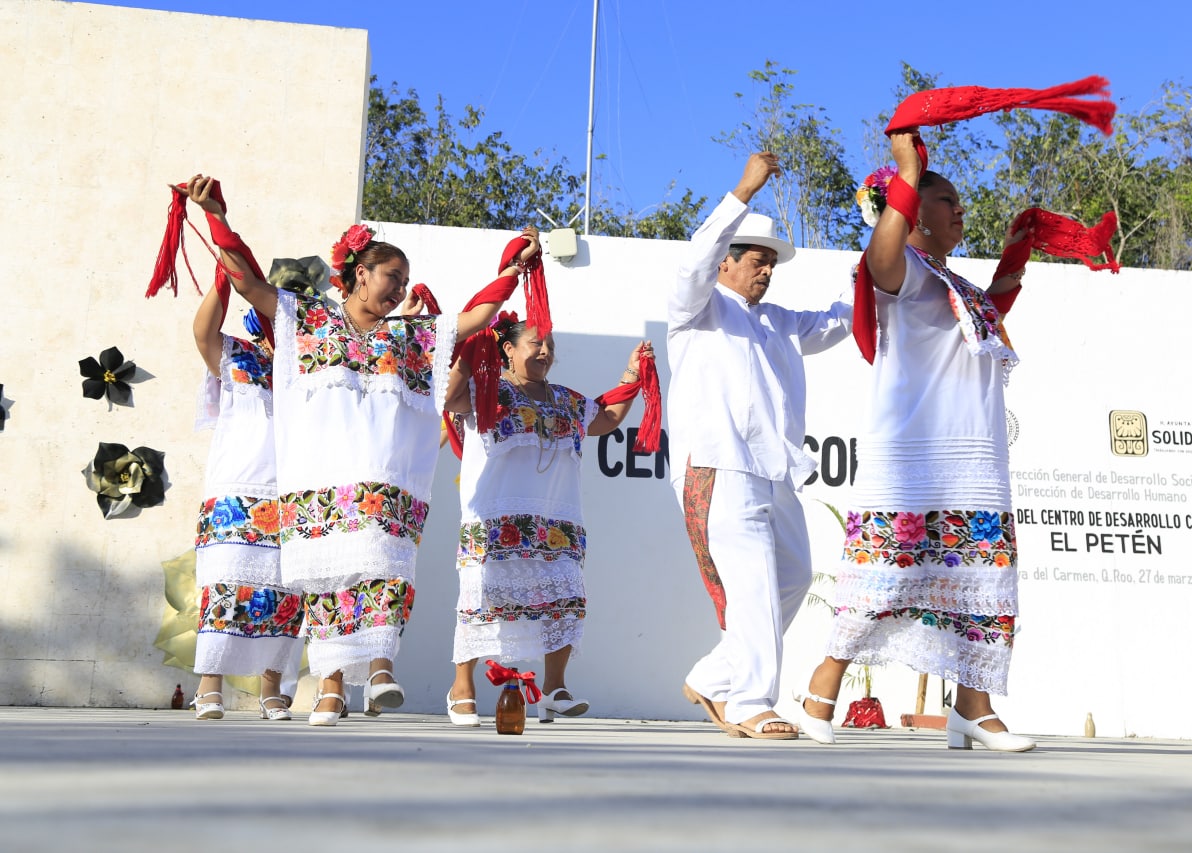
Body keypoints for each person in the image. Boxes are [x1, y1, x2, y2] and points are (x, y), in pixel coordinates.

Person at [174, 174, 533, 726]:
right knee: (325, 581)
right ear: (359, 274)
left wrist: (510, 272)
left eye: (406, 280)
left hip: (383, 482)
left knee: (385, 570)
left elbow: (473, 319)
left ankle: (380, 671)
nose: (399, 288)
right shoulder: (307, 323)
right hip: (322, 484)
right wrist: (217, 216)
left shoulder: (406, 337)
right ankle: (329, 690)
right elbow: (245, 279)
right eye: (392, 276)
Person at [797, 130, 1035, 751]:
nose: (960, 209)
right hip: (910, 454)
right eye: (946, 199)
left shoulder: (954, 285)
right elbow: (879, 259)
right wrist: (907, 167)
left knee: (982, 577)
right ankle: (819, 693)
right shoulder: (898, 270)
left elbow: (995, 307)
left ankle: (973, 711)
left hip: (974, 456)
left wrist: (1020, 249)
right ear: (910, 209)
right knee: (884, 578)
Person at [667, 152, 853, 739]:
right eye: (755, 260)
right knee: (750, 583)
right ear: (726, 261)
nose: (766, 271)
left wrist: (878, 269)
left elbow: (841, 320)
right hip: (719, 464)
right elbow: (694, 259)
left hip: (775, 470)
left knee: (792, 576)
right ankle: (750, 701)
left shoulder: (778, 320)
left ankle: (714, 675)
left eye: (771, 262)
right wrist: (742, 192)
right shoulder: (696, 307)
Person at [441, 314, 652, 725]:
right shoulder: (487, 391)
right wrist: (468, 354)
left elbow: (605, 419)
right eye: (536, 343)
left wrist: (632, 373)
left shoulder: (566, 399)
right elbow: (448, 399)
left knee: (563, 601)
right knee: (481, 598)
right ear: (509, 350)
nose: (545, 352)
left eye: (550, 346)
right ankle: (461, 686)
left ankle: (554, 688)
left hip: (556, 518)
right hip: (496, 516)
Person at [190, 287, 304, 721]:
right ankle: (209, 686)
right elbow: (203, 333)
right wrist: (223, 279)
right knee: (225, 586)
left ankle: (271, 688)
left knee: (284, 594)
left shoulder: (309, 370)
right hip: (236, 487)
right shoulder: (237, 356)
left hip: (292, 491)